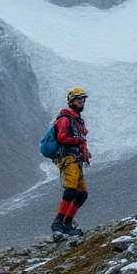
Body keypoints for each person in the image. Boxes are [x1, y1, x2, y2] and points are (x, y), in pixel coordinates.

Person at [51, 87, 91, 237]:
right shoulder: (65, 119)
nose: (82, 102)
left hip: (76, 160)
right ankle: (58, 222)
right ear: (72, 101)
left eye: (83, 99)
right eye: (79, 99)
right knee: (71, 191)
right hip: (68, 159)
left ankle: (67, 223)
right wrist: (77, 140)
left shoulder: (77, 120)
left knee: (81, 194)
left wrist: (85, 152)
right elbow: (62, 137)